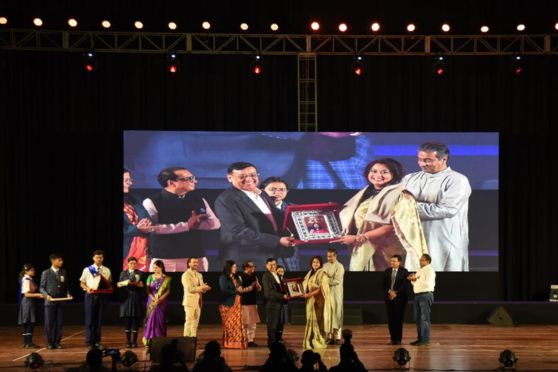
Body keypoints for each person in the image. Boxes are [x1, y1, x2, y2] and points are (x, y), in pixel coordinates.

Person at [334, 158, 428, 272]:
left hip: (387, 250)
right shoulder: (366, 193)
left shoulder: (401, 195)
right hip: (365, 247)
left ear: (395, 174)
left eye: (385, 172)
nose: (378, 175)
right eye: (373, 171)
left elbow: (392, 226)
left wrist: (359, 238)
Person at [401, 142, 472, 271]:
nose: (422, 163)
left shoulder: (457, 180)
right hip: (414, 239)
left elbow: (447, 209)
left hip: (444, 239)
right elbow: (397, 204)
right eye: (420, 160)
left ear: (443, 159)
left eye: (428, 160)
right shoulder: (409, 178)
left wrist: (408, 208)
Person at [215, 162, 295, 268]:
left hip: (268, 256)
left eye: (253, 175)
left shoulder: (262, 194)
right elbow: (239, 230)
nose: (248, 179)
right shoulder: (226, 199)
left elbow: (275, 219)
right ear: (230, 178)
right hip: (245, 261)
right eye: (242, 176)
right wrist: (278, 241)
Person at [143, 166, 221, 272]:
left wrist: (197, 224)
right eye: (189, 179)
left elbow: (215, 223)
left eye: (193, 178)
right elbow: (151, 228)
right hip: (166, 259)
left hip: (197, 258)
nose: (195, 181)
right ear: (171, 183)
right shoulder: (151, 202)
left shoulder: (199, 200)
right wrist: (186, 226)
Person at [261, 176, 300, 271]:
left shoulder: (295, 208)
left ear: (287, 191)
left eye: (282, 189)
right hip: (263, 254)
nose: (277, 192)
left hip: (289, 255)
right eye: (273, 189)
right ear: (262, 191)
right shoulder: (253, 208)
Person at [80, 250, 113, 350]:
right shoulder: (87, 269)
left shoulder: (107, 270)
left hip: (102, 296)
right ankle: (89, 341)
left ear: (103, 258)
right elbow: (82, 283)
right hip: (90, 296)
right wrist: (87, 288)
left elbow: (109, 283)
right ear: (93, 258)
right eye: (97, 257)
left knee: (99, 320)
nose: (99, 259)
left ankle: (97, 341)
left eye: (101, 257)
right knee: (90, 319)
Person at [40, 253, 72, 349]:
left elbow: (66, 286)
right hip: (50, 301)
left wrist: (68, 293)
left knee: (60, 323)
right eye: (59, 260)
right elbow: (41, 288)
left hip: (61, 301)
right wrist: (47, 295)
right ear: (53, 261)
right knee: (49, 323)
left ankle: (57, 342)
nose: (61, 262)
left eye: (62, 260)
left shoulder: (63, 272)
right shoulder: (46, 272)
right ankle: (49, 342)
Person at [218, 260, 252, 349]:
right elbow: (225, 290)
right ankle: (228, 343)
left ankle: (238, 343)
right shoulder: (223, 277)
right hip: (228, 304)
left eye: (236, 267)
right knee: (229, 325)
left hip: (238, 303)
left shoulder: (236, 277)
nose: (235, 268)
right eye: (234, 267)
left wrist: (244, 288)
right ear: (229, 267)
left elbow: (240, 287)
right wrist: (236, 291)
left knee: (238, 324)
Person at [123, 169, 152, 272]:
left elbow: (146, 217)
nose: (130, 183)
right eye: (126, 180)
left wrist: (147, 224)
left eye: (130, 179)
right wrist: (137, 228)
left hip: (143, 247)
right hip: (127, 249)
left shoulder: (134, 197)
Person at [302, 256, 333, 350]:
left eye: (317, 262)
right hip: (310, 301)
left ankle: (317, 339)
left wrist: (309, 294)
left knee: (318, 321)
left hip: (318, 301)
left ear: (320, 264)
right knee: (310, 321)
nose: (315, 264)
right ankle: (310, 339)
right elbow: (304, 285)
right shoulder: (309, 273)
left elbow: (321, 289)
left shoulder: (322, 274)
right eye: (314, 262)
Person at [407, 253, 436, 346]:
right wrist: (413, 280)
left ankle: (425, 340)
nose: (420, 261)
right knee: (418, 318)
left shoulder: (430, 270)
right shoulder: (419, 270)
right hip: (417, 295)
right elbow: (416, 284)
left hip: (425, 295)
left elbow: (427, 284)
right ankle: (420, 338)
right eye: (420, 260)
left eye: (422, 260)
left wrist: (416, 279)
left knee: (424, 318)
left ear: (427, 261)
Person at [143, 260, 171, 347]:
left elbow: (168, 291)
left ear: (161, 267)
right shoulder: (150, 277)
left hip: (161, 302)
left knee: (160, 320)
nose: (154, 269)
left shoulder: (166, 278)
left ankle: (160, 339)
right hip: (151, 301)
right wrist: (154, 299)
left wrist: (160, 299)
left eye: (156, 267)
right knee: (150, 319)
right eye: (154, 267)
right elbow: (148, 290)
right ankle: (149, 339)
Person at [262, 257, 288, 348]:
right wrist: (282, 296)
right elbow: (269, 292)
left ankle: (277, 344)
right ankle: (272, 345)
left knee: (278, 326)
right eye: (271, 265)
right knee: (272, 326)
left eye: (274, 264)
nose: (273, 266)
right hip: (272, 305)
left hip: (279, 304)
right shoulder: (266, 276)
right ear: (266, 266)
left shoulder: (276, 275)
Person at [182, 257, 211, 338]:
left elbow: (201, 287)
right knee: (189, 321)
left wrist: (205, 288)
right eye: (194, 262)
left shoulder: (199, 275)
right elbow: (189, 289)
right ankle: (186, 339)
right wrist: (201, 288)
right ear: (189, 264)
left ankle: (193, 339)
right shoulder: (185, 275)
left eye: (197, 262)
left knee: (195, 323)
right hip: (189, 302)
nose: (196, 264)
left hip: (198, 302)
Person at [118, 256, 144, 348]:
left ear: (136, 264)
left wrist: (135, 283)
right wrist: (124, 283)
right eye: (131, 263)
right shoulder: (123, 273)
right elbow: (119, 284)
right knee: (127, 321)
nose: (132, 265)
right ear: (127, 264)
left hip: (135, 298)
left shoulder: (139, 272)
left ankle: (134, 341)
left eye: (134, 263)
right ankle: (128, 341)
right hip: (126, 298)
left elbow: (141, 284)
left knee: (135, 321)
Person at [383, 255, 409, 345]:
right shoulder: (387, 271)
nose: (392, 263)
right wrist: (389, 292)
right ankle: (392, 338)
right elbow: (383, 284)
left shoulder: (404, 272)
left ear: (399, 262)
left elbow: (404, 285)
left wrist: (395, 293)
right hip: (389, 298)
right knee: (391, 320)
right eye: (391, 261)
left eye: (394, 261)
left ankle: (398, 339)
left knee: (398, 319)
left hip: (400, 299)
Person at [322, 247, 345, 345]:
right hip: (326, 293)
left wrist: (326, 280)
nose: (329, 258)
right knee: (328, 314)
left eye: (331, 256)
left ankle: (337, 336)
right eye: (328, 256)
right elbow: (321, 277)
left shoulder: (339, 266)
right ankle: (329, 336)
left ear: (335, 256)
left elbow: (336, 281)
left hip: (336, 293)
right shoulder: (324, 265)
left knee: (336, 313)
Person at [18, 263, 43, 348]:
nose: (34, 271)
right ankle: (28, 343)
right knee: (29, 322)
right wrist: (38, 295)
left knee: (28, 322)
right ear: (27, 271)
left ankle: (27, 342)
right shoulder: (26, 280)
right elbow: (26, 294)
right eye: (32, 270)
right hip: (27, 302)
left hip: (29, 302)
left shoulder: (28, 279)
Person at [239, 260, 262, 347]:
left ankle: (250, 340)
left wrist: (258, 287)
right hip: (244, 302)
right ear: (246, 267)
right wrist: (251, 287)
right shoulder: (241, 276)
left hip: (253, 301)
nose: (253, 268)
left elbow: (259, 289)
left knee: (252, 323)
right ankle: (242, 339)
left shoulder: (254, 276)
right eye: (251, 267)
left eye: (254, 267)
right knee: (243, 322)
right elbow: (240, 290)